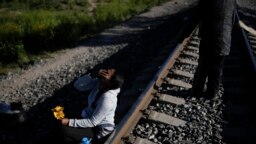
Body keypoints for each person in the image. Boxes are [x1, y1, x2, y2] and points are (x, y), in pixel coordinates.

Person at [60, 68, 124, 144]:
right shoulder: (100, 83)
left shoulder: (108, 99)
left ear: (110, 82)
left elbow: (93, 122)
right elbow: (78, 85)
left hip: (98, 130)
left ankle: (90, 142)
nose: (104, 73)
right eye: (106, 70)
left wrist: (69, 122)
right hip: (89, 119)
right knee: (62, 119)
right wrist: (93, 75)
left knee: (65, 130)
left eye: (107, 73)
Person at [192, 0, 237, 99]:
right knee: (217, 68)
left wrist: (183, 35)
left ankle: (197, 91)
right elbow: (233, 19)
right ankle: (212, 93)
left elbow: (196, 17)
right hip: (224, 40)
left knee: (203, 66)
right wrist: (226, 34)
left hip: (209, 38)